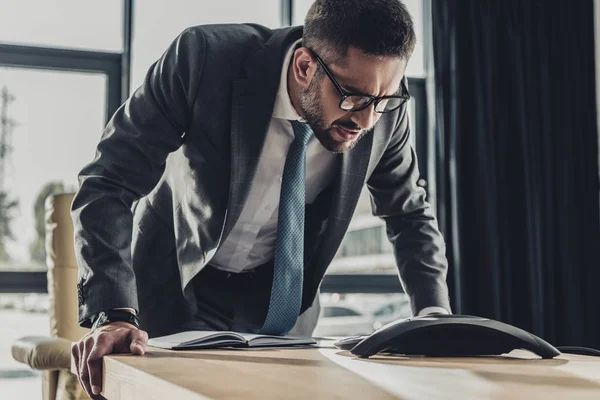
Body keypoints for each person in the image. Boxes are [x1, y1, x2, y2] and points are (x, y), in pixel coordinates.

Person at [71, 0, 451, 397]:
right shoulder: (204, 59)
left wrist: (433, 316)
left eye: (383, 100)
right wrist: (113, 314)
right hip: (175, 282)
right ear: (305, 66)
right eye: (353, 97)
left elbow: (408, 213)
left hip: (282, 306)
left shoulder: (382, 108)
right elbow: (108, 183)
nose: (367, 120)